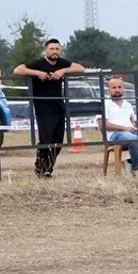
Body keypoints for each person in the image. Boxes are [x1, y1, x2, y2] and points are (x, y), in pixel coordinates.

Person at [13, 38, 87, 177]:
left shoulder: (61, 63)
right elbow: (18, 70)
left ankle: (48, 169)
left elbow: (81, 68)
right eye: (51, 49)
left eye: (57, 49)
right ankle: (40, 168)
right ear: (45, 50)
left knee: (58, 141)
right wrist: (38, 73)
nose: (54, 51)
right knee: (46, 140)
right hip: (43, 107)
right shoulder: (38, 63)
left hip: (59, 106)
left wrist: (62, 71)